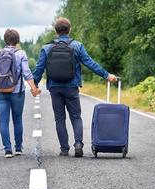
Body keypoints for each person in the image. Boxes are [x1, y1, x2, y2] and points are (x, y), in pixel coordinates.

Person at [33, 17, 117, 157]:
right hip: (71, 87)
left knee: (60, 119)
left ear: (56, 31)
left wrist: (34, 86)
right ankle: (78, 144)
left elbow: (39, 69)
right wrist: (106, 75)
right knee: (76, 116)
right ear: (69, 30)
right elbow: (90, 63)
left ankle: (64, 149)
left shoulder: (47, 48)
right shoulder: (77, 46)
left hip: (55, 87)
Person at [0, 29, 40, 158]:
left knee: (3, 120)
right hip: (17, 92)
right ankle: (18, 148)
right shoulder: (21, 54)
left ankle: (7, 150)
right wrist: (34, 88)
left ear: (5, 40)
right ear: (17, 40)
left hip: (0, 92)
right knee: (17, 119)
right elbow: (27, 73)